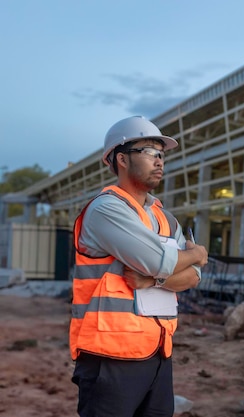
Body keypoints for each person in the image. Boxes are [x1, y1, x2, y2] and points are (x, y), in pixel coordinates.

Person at [69, 115, 208, 417]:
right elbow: (161, 261)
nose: (159, 161)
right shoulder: (105, 209)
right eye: (149, 153)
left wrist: (155, 280)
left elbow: (193, 277)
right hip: (110, 355)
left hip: (158, 352)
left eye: (161, 155)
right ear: (121, 159)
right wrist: (196, 254)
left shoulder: (164, 217)